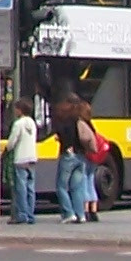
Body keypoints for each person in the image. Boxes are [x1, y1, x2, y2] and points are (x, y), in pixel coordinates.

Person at [52, 93, 92, 223]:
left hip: (69, 155)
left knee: (61, 186)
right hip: (82, 156)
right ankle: (81, 214)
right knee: (77, 187)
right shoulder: (83, 118)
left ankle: (69, 213)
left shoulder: (65, 118)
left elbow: (62, 134)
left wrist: (61, 139)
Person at [4, 97, 39, 225]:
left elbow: (12, 142)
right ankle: (31, 215)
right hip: (32, 158)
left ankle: (22, 214)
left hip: (20, 158)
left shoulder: (18, 124)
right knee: (31, 188)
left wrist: (7, 148)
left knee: (21, 188)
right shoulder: (32, 123)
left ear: (20, 110)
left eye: (16, 109)